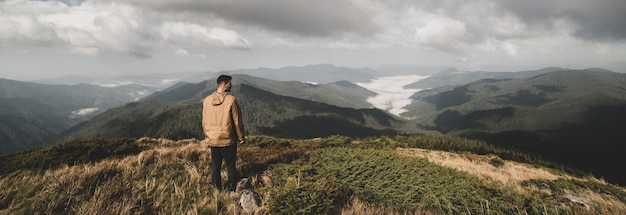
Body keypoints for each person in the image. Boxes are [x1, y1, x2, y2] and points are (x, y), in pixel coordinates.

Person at [202, 75, 245, 192]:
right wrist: (241, 137)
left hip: (213, 139)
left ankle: (217, 189)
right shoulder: (231, 100)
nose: (231, 85)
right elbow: (237, 122)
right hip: (227, 139)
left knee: (216, 165)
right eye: (229, 83)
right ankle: (232, 189)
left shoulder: (206, 101)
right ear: (224, 84)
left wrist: (208, 136)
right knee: (230, 165)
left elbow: (204, 121)